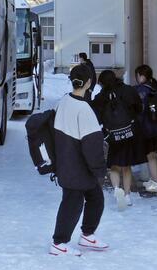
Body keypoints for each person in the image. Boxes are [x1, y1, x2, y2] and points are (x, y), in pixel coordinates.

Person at [50, 64, 109, 256]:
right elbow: (92, 145)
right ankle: (59, 243)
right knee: (72, 203)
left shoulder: (63, 101)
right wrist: (100, 170)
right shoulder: (84, 109)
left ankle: (87, 234)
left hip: (66, 162)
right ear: (89, 83)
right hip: (78, 167)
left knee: (95, 198)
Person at [92, 70, 143, 210]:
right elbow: (139, 107)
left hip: (112, 135)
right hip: (128, 133)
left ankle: (116, 189)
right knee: (126, 166)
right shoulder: (128, 90)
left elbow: (95, 115)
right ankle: (127, 195)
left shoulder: (101, 96)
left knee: (113, 165)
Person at [134, 64, 157, 193]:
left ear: (141, 76)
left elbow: (139, 111)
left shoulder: (141, 90)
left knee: (150, 155)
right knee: (152, 155)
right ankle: (154, 180)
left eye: (138, 75)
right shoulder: (156, 87)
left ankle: (156, 182)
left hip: (147, 128)